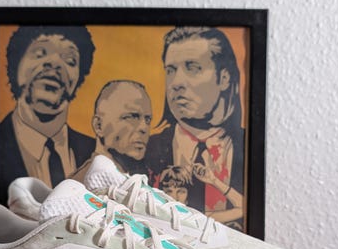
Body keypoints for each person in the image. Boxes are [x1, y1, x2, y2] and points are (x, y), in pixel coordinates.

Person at [146, 26, 244, 227]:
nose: (176, 82)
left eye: (192, 68)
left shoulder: (247, 146)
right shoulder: (147, 150)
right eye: (170, 71)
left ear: (224, 78)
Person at [0, 26, 96, 205]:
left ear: (78, 78)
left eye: (70, 60)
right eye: (40, 53)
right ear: (16, 64)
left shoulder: (95, 153)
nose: (55, 63)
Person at [71, 80, 152, 181]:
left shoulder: (128, 179)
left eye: (148, 120)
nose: (144, 128)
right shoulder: (80, 184)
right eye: (132, 117)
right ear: (99, 126)